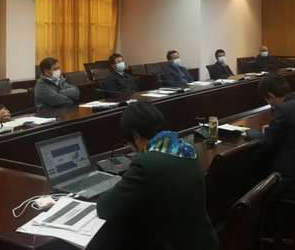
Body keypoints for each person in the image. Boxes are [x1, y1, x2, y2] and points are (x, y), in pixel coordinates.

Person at [91, 102, 218, 250]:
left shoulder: (146, 163)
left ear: (136, 136)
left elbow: (105, 208)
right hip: (204, 241)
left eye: (129, 144)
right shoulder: (186, 147)